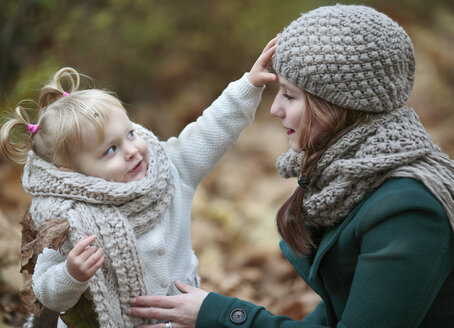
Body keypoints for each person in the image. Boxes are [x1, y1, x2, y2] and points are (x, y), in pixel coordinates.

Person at [126, 4, 454, 328]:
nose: (275, 109)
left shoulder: (408, 210)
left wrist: (220, 314)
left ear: (337, 105)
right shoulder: (355, 181)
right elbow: (332, 318)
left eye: (289, 95)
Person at [0, 38, 278, 328]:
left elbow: (211, 130)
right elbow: (46, 291)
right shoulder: (65, 216)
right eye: (111, 150)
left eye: (130, 134)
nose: (132, 150)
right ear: (73, 171)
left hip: (179, 320)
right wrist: (71, 275)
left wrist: (249, 85)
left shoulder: (170, 171)